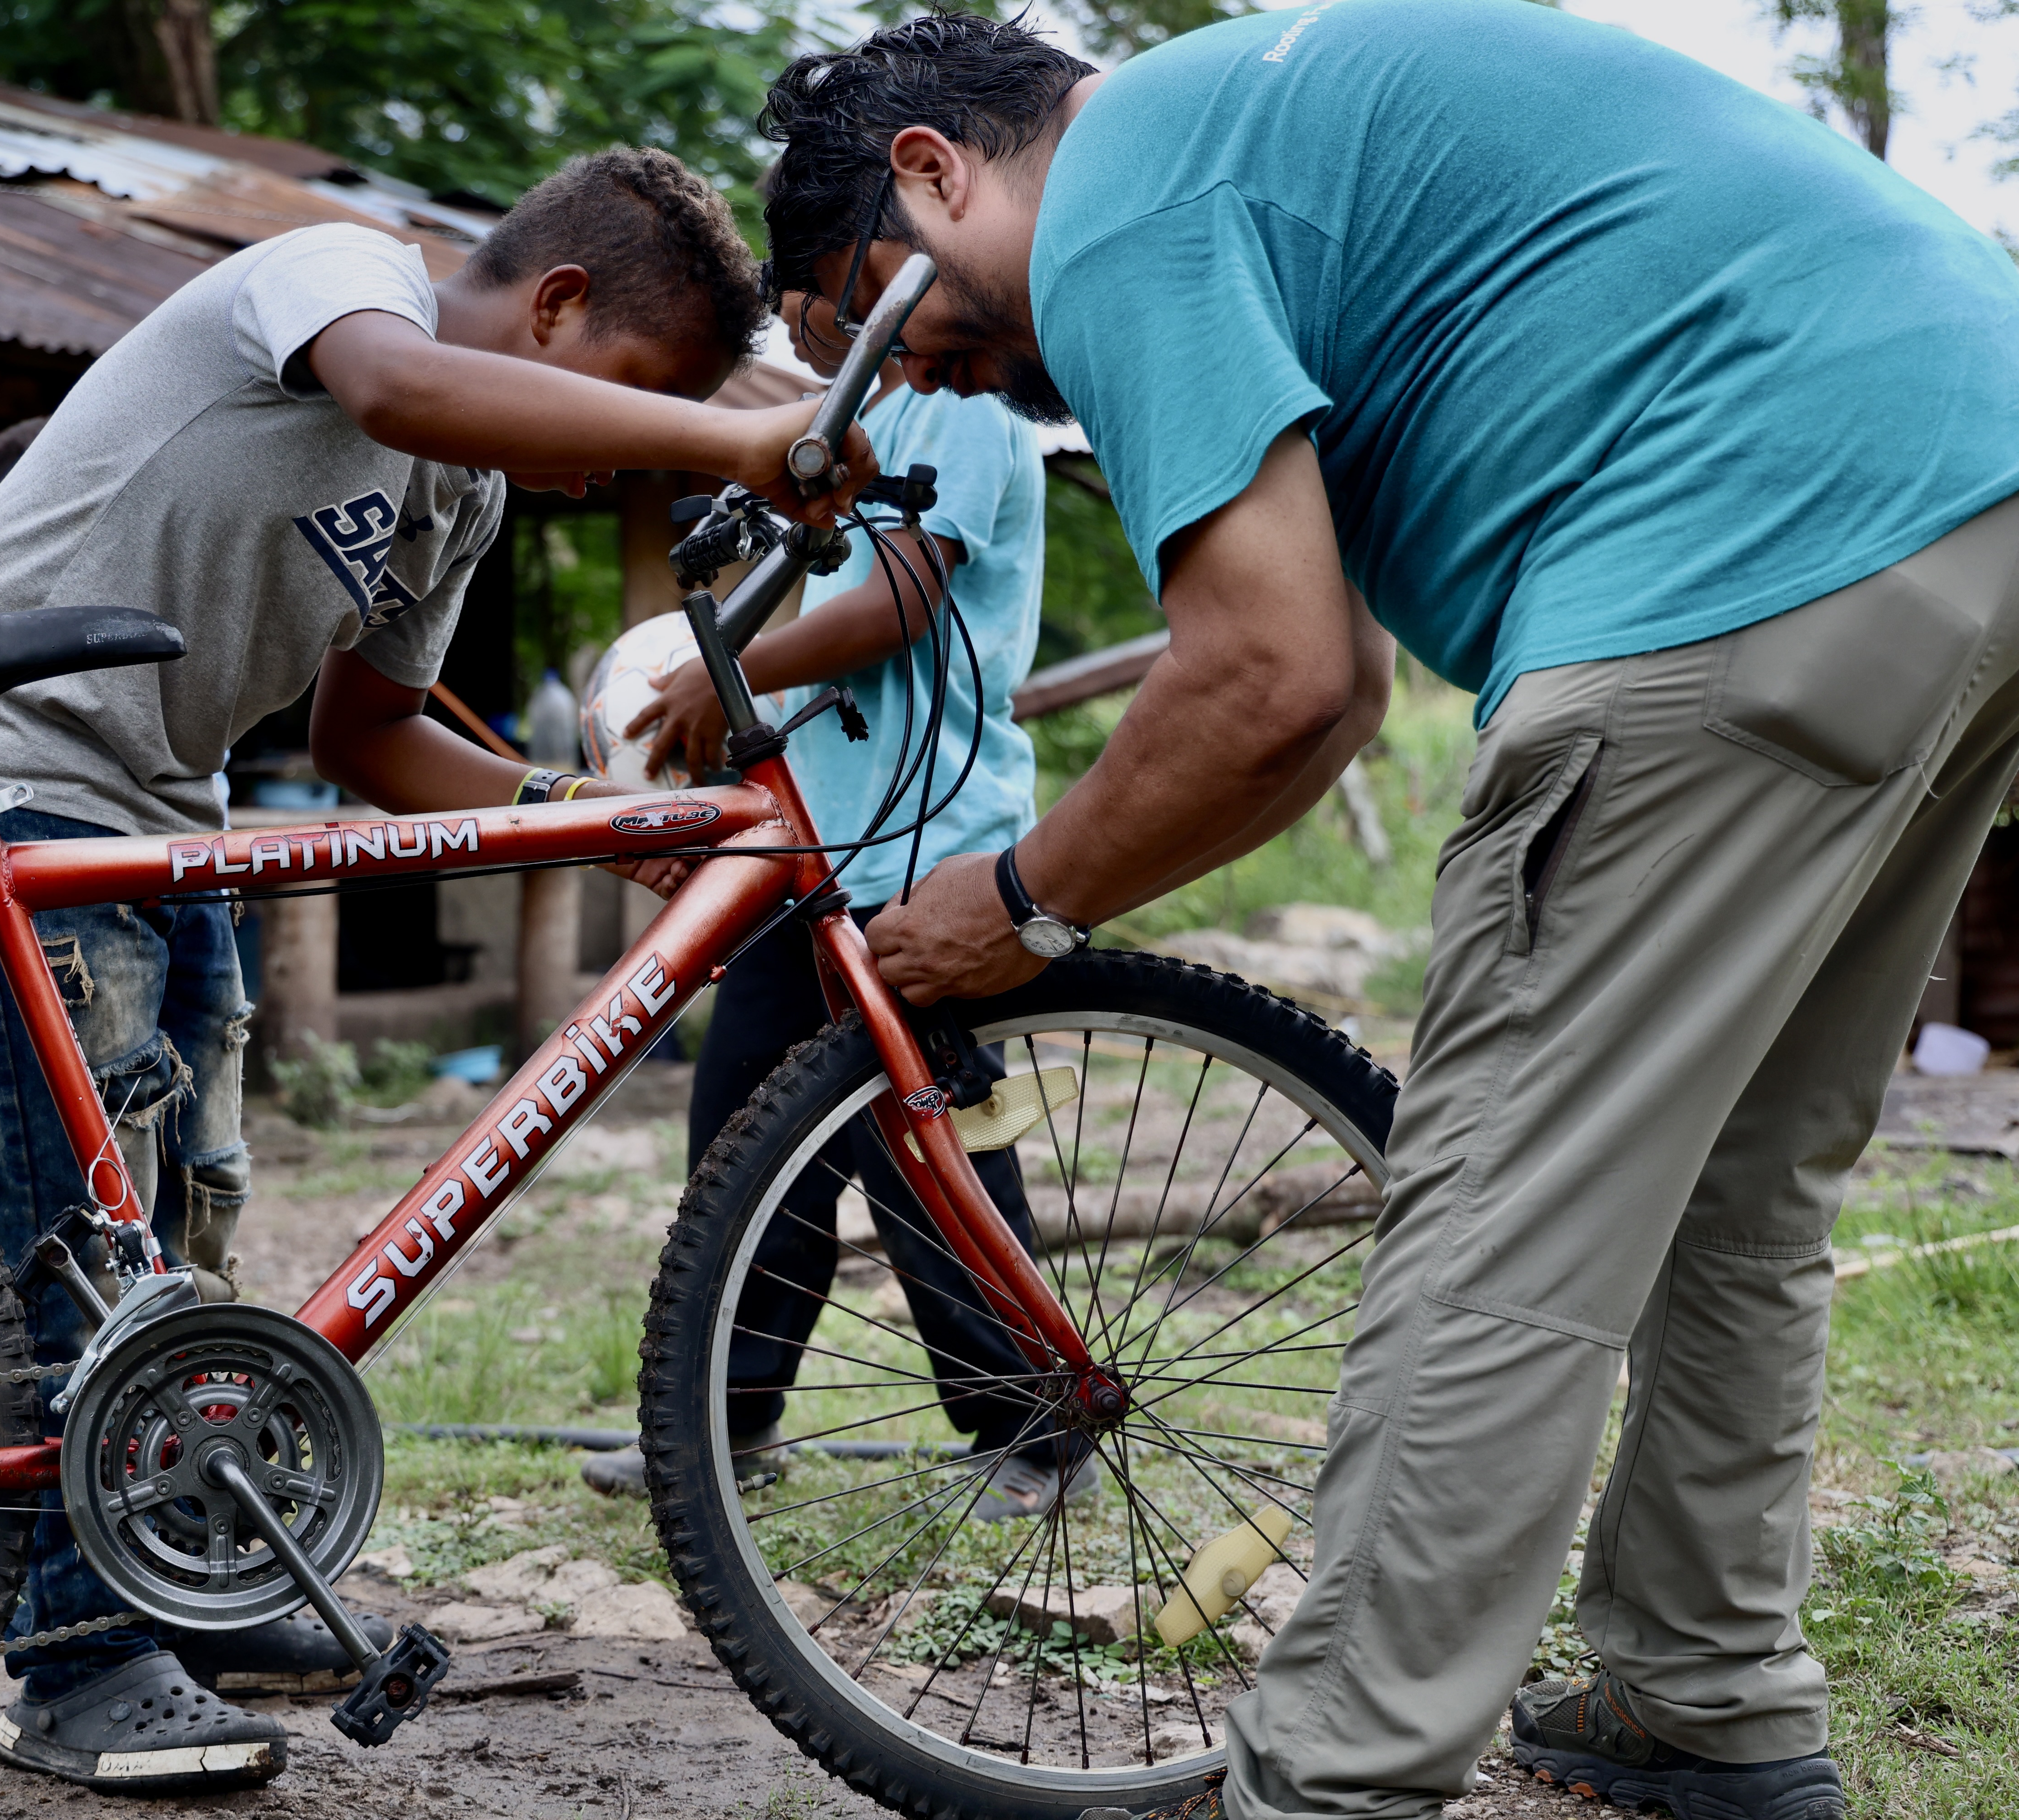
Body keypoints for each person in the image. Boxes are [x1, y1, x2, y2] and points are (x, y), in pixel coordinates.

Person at [751, 7, 2019, 1818]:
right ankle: (1703, 1694)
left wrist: (1021, 901)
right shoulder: (1245, 119)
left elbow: (1281, 677)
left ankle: (1330, 1777)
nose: (920, 389)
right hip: (1971, 474)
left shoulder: (1116, 198)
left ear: (934, 173)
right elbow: (1316, 676)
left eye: (877, 323)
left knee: (1503, 1208)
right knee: (1742, 1179)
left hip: (1745, 532)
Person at [0, 147, 870, 1797]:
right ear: (554, 306)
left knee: (179, 1238)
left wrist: (579, 815)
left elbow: (370, 738)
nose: (594, 473)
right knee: (80, 1251)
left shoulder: (458, 489)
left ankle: (174, 1571)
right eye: (629, 400)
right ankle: (76, 1668)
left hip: (159, 815)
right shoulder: (344, 280)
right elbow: (402, 392)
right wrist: (739, 435)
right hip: (20, 783)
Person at [580, 295, 1069, 1518]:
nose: (785, 318)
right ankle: (723, 1421)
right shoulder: (859, 417)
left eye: (799, 287)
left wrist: (730, 671)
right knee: (744, 1135)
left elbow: (902, 600)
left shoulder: (968, 401)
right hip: (811, 841)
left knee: (920, 1143)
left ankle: (1034, 1430)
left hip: (925, 841)